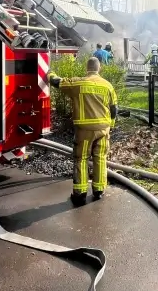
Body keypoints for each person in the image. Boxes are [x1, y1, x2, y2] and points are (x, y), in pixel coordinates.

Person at [48, 57, 118, 206]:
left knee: (81, 159)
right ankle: (99, 190)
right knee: (100, 158)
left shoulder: (77, 83)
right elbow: (114, 109)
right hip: (103, 130)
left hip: (84, 131)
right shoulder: (108, 86)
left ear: (87, 68)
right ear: (99, 69)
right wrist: (110, 126)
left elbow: (57, 82)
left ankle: (80, 194)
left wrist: (49, 72)